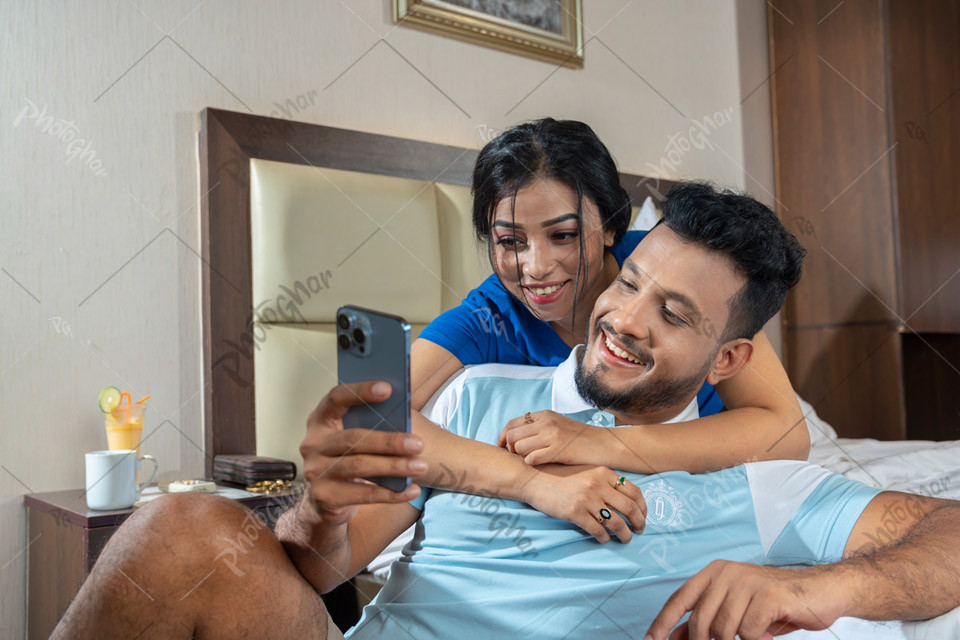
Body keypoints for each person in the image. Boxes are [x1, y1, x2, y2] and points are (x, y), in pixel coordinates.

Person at [53, 183, 960, 640]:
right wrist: (321, 503)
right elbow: (322, 565)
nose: (623, 321)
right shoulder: (482, 392)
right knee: (173, 527)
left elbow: (949, 533)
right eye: (632, 284)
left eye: (673, 315)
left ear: (731, 358)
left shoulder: (767, 483)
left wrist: (815, 588)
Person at [408, 119, 810, 541]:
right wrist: (526, 481)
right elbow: (373, 417)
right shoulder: (488, 317)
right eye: (510, 242)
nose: (536, 266)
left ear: (612, 228)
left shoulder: (673, 265)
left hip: (702, 502)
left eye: (563, 235)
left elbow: (785, 431)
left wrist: (598, 441)